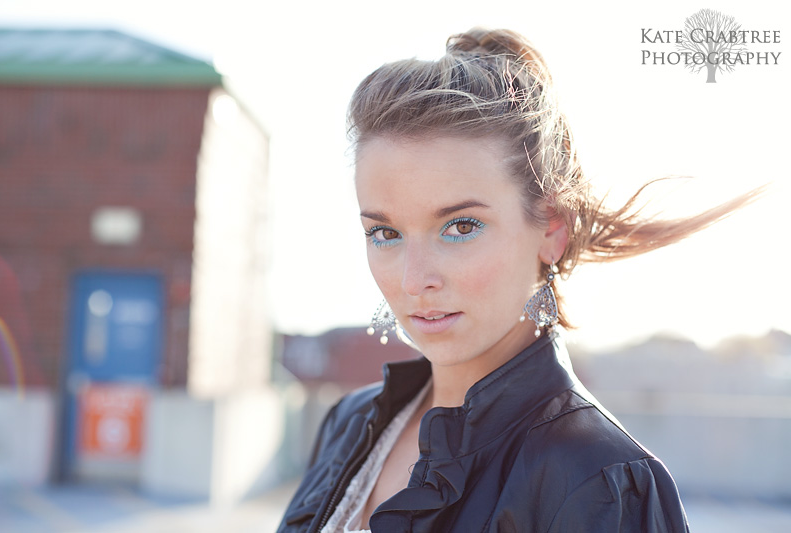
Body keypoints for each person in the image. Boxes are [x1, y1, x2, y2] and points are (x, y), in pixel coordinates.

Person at [278, 27, 756, 532]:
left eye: (460, 227)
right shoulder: (350, 424)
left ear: (552, 228)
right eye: (385, 233)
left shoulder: (599, 481)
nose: (414, 280)